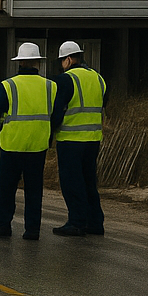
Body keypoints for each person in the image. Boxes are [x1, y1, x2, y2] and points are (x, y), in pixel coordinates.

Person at [0, 42, 56, 240]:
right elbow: (55, 115)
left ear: (20, 63)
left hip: (12, 145)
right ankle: (32, 230)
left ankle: (3, 226)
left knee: (7, 189)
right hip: (38, 145)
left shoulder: (8, 86)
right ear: (38, 62)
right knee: (34, 190)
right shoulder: (51, 86)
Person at [49, 40, 108, 237]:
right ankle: (95, 223)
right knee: (89, 181)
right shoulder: (98, 78)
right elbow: (104, 103)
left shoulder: (66, 80)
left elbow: (57, 111)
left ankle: (76, 222)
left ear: (67, 59)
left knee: (72, 183)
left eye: (61, 61)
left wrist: (50, 132)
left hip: (71, 140)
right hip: (93, 139)